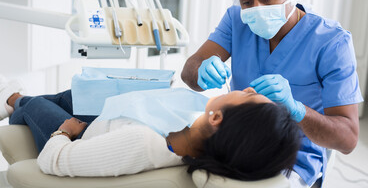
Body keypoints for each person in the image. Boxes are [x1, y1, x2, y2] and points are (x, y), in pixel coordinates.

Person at [181, 0, 363, 188]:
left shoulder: (331, 42)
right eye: (246, 1)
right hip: (235, 141)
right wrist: (201, 70)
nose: (256, 8)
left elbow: (348, 139)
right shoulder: (237, 20)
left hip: (294, 154)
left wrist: (297, 110)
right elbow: (189, 73)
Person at [0, 76, 300, 181]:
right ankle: (21, 102)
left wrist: (64, 132)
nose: (246, 88)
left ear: (217, 119)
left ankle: (13, 100)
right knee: (71, 95)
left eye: (248, 96)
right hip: (109, 122)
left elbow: (51, 161)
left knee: (36, 104)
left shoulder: (140, 143)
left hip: (81, 137)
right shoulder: (201, 139)